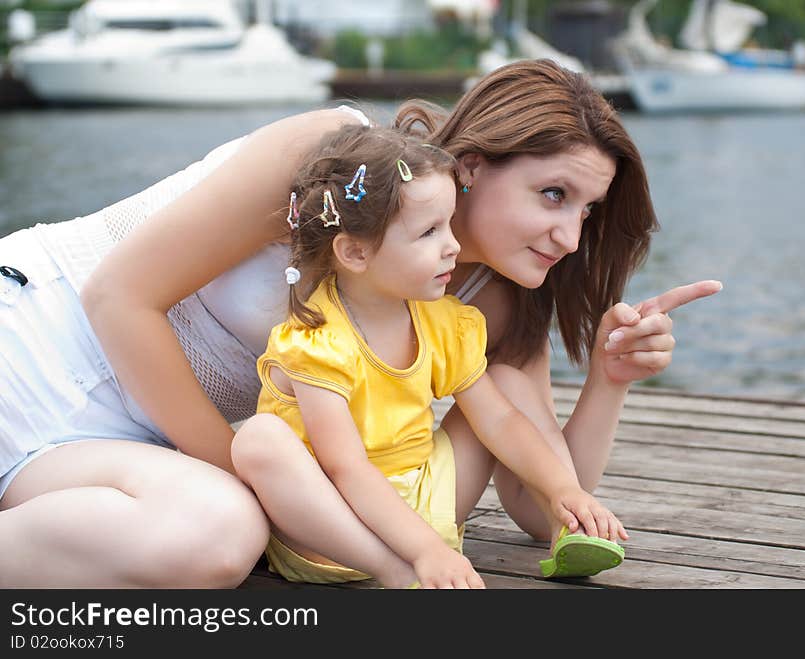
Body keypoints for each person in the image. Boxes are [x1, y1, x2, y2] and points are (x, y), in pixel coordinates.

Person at [0, 58, 720, 587]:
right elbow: (117, 298)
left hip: (126, 448)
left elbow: (543, 508)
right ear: (470, 166)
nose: (569, 235)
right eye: (553, 194)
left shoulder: (486, 299)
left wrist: (610, 379)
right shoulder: (336, 162)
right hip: (35, 344)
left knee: (216, 535)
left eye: (586, 211)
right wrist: (266, 489)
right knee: (232, 525)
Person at [231, 125, 628, 589]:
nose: (453, 246)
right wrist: (423, 550)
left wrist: (563, 487)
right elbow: (346, 468)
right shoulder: (318, 338)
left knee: (502, 393)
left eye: (449, 223)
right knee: (260, 440)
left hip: (426, 501)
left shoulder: (442, 321)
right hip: (336, 531)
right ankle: (397, 573)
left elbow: (499, 421)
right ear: (356, 251)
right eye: (429, 232)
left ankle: (569, 522)